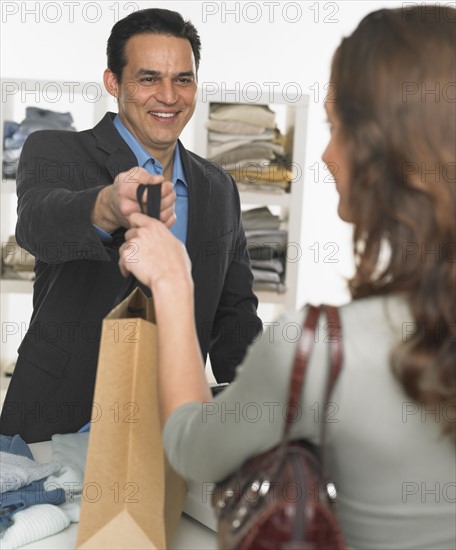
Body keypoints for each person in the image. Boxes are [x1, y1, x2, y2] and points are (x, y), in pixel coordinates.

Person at [118, 6, 455, 549]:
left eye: (338, 125)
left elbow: (191, 443)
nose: (323, 153)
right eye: (150, 78)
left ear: (380, 149)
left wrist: (174, 282)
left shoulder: (322, 349)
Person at [0, 8, 262, 443]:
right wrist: (107, 206)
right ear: (113, 83)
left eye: (183, 79)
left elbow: (235, 317)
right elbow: (37, 224)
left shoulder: (218, 188)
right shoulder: (57, 150)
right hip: (60, 425)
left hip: (170, 432)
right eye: (148, 79)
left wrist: (260, 422)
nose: (168, 96)